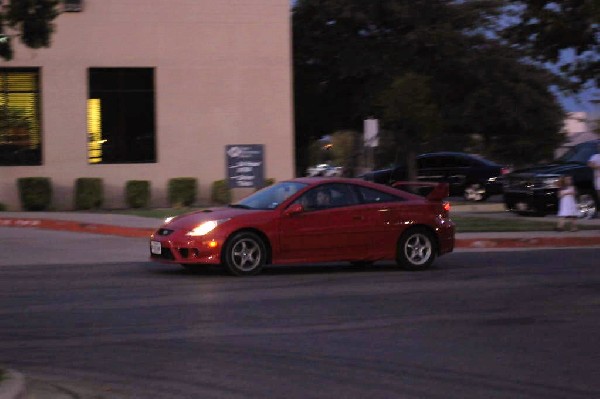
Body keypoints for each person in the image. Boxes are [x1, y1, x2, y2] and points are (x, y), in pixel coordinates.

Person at [588, 142, 600, 216]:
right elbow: (590, 164)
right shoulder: (595, 156)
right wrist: (595, 166)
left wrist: (596, 166)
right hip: (598, 178)